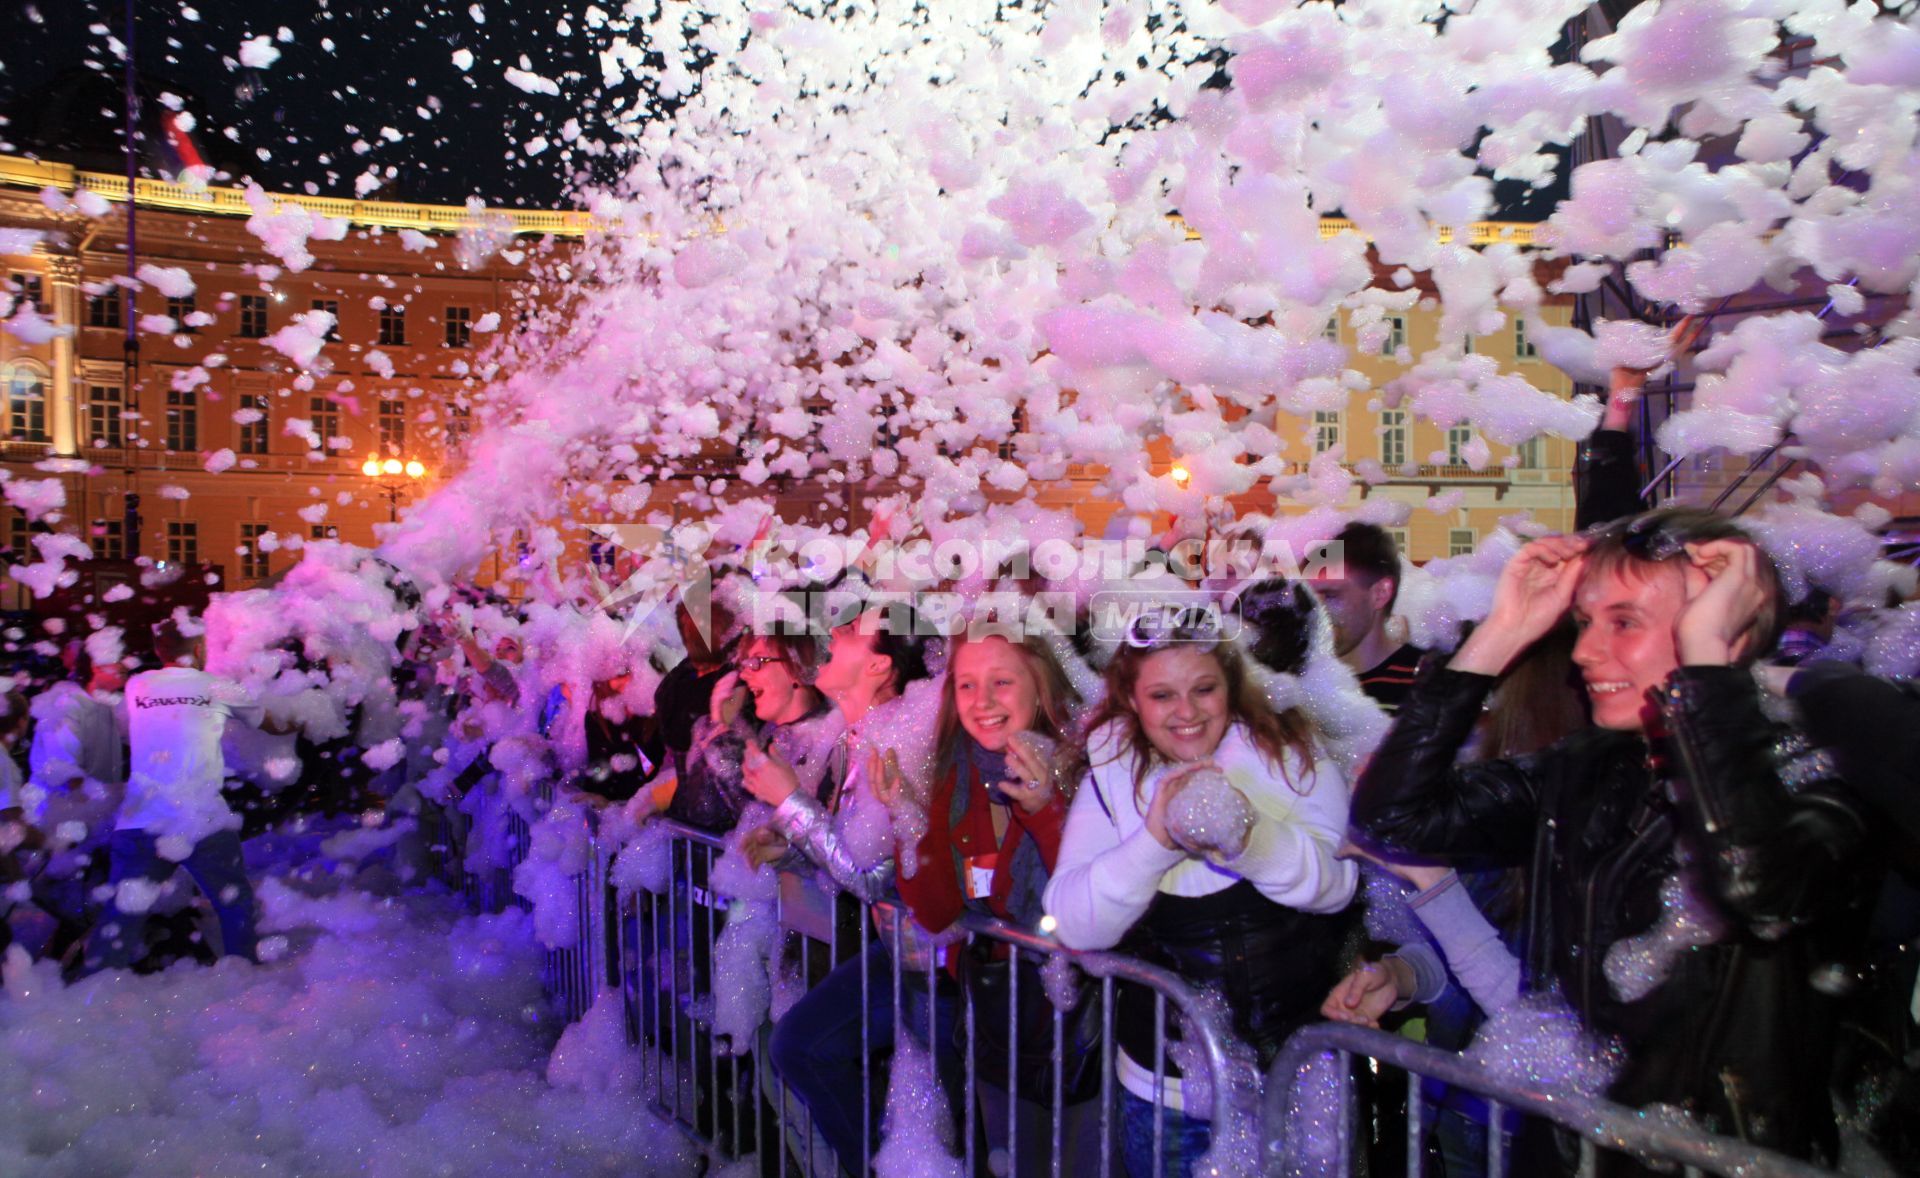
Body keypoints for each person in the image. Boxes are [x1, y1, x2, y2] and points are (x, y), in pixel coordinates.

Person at [1351, 507, 1874, 1174]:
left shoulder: (1819, 775)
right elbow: (1393, 816)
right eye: (1586, 621)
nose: (1583, 651)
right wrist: (1501, 633)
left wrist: (1707, 672)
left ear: (1728, 631)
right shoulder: (1589, 767)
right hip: (1575, 1144)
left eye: (1624, 622)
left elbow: (1756, 887)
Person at [1044, 606, 1357, 1178]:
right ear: (1133, 701)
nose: (1186, 712)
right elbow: (1074, 924)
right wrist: (1155, 841)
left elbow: (1337, 888)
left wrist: (1251, 839)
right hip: (1166, 1095)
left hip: (1296, 1078)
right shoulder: (1109, 780)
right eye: (1162, 695)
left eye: (1204, 689)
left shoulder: (1292, 759)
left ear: (1231, 688)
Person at [755, 603, 943, 1177]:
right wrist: (791, 841)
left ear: (882, 666)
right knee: (796, 1047)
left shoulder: (899, 741)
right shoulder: (853, 733)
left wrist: (791, 805)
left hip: (928, 960)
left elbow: (870, 873)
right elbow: (847, 849)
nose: (835, 632)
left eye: (854, 630)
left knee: (800, 1047)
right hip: (893, 950)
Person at [84, 622, 274, 973]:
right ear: (201, 648)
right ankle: (245, 977)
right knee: (234, 902)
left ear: (159, 652)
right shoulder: (217, 687)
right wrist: (309, 716)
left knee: (122, 912)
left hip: (142, 818)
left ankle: (92, 990)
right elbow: (272, 723)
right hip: (201, 818)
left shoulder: (138, 685)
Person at [1308, 523, 1423, 709]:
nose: (1317, 609)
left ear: (1380, 594)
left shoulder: (1424, 684)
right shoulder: (1303, 686)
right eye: (1311, 597)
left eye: (1330, 595)